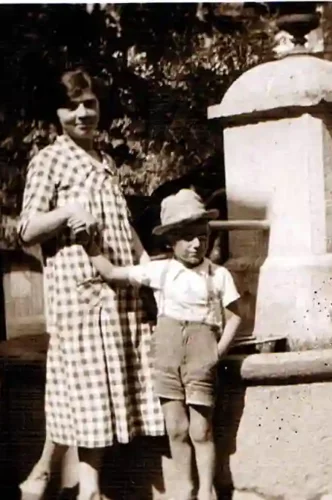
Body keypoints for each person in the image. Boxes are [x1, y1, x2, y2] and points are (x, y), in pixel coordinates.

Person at [16, 68, 164, 500]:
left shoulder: (106, 161)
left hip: (120, 289)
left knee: (94, 386)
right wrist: (66, 212)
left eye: (90, 104)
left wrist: (147, 267)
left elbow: (123, 226)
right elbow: (25, 230)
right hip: (79, 291)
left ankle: (53, 478)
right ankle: (87, 489)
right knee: (85, 386)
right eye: (72, 106)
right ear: (56, 113)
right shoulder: (48, 160)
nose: (83, 113)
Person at [84, 188, 243, 500]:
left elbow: (235, 316)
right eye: (188, 237)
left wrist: (217, 351)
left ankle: (207, 490)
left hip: (201, 353)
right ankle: (184, 488)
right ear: (170, 241)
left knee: (201, 429)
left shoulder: (218, 275)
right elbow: (113, 272)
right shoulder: (160, 271)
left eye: (202, 236)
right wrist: (89, 247)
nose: (197, 244)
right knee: (176, 428)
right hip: (167, 355)